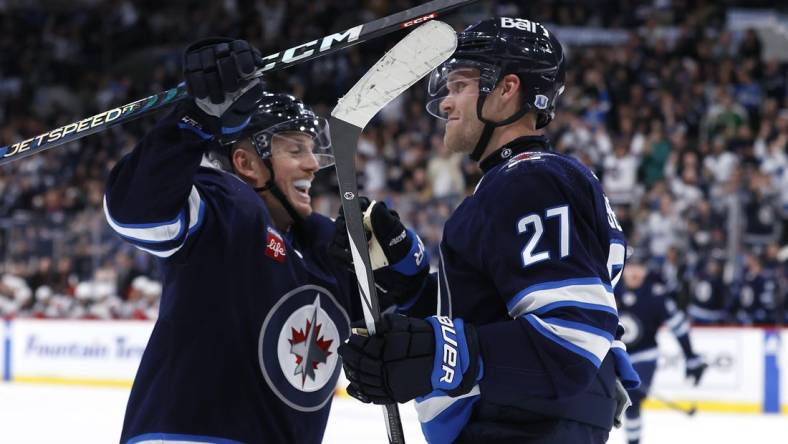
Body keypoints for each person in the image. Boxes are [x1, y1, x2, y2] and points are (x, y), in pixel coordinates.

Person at [103, 38, 429, 444]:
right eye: (296, 149)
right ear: (246, 163)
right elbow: (136, 211)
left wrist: (406, 262)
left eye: (312, 151)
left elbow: (415, 327)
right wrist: (195, 119)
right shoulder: (226, 209)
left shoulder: (324, 249)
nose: (313, 164)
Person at [337, 17, 640, 444]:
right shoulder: (519, 182)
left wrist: (440, 352)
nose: (446, 102)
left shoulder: (530, 181)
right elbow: (487, 314)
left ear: (506, 89)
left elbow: (570, 340)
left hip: (531, 429)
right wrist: (405, 273)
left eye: (460, 84)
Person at [616, 256, 707, 444]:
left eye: (639, 267)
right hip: (615, 354)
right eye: (630, 267)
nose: (634, 272)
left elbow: (679, 326)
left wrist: (690, 357)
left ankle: (633, 442)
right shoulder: (611, 290)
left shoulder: (656, 295)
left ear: (646, 270)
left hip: (645, 356)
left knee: (632, 397)